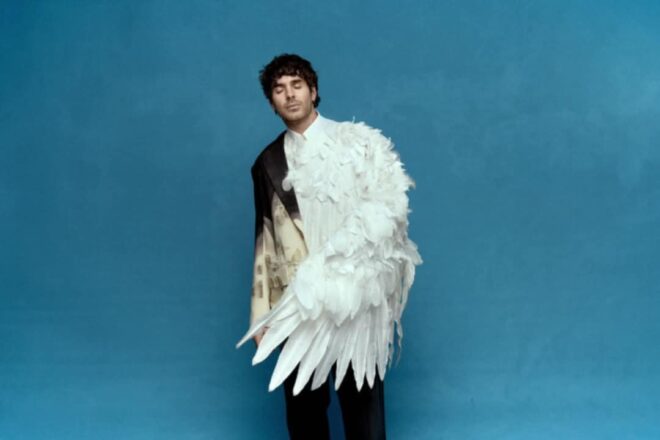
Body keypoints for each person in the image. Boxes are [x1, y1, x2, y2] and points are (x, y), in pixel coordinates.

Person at [237, 53, 421, 440]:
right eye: (279, 89)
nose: (290, 95)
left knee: (362, 403)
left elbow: (389, 210)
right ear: (271, 102)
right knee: (303, 410)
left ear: (314, 90)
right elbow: (265, 240)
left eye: (297, 85)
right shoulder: (267, 163)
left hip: (355, 299)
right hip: (299, 301)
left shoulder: (358, 143)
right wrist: (261, 314)